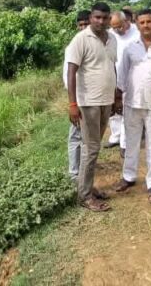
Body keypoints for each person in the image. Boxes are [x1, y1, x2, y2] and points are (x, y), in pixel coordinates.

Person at [66, 3, 121, 212]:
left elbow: (112, 66)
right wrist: (73, 104)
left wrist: (115, 95)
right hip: (88, 102)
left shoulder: (112, 39)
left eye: (105, 18)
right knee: (90, 148)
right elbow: (71, 72)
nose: (101, 21)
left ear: (109, 19)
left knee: (93, 147)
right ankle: (85, 196)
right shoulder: (81, 39)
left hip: (105, 101)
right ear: (90, 18)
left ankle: (87, 187)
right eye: (97, 17)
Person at [114, 9, 151, 203]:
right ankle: (128, 176)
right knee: (131, 141)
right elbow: (122, 74)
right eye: (142, 22)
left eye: (149, 21)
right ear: (137, 25)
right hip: (133, 101)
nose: (146, 25)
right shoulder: (130, 47)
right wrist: (118, 97)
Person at [63, 10, 92, 179]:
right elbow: (68, 75)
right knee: (76, 135)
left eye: (86, 24)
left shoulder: (98, 43)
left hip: (94, 99)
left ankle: (84, 169)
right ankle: (74, 174)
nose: (83, 28)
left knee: (89, 138)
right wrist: (73, 103)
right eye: (80, 25)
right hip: (79, 99)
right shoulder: (73, 45)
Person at [107, 11, 140, 151]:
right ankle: (115, 136)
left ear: (126, 21)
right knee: (113, 109)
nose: (117, 30)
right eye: (114, 27)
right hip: (113, 75)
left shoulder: (137, 32)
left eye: (120, 26)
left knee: (126, 110)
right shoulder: (110, 34)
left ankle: (124, 144)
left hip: (131, 77)